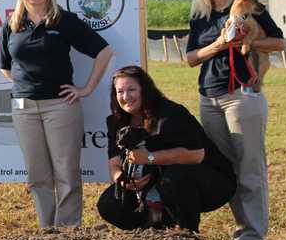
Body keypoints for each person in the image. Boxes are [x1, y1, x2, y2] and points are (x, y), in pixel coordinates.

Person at [0, 0, 114, 228]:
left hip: (60, 106)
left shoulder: (64, 21)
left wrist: (86, 89)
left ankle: (67, 231)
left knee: (66, 173)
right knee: (37, 175)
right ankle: (47, 231)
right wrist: (27, 84)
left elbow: (104, 52)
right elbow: (4, 66)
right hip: (23, 107)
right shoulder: (12, 24)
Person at [185, 0, 284, 240]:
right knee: (227, 169)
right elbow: (190, 57)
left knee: (250, 167)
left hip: (243, 94)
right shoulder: (200, 15)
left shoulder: (247, 6)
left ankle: (253, 238)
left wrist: (248, 41)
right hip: (210, 97)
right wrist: (218, 44)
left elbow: (279, 42)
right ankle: (242, 232)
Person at [97, 66, 236, 231]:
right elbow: (114, 162)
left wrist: (149, 157)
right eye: (120, 91)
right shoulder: (116, 121)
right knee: (109, 203)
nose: (126, 96)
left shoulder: (170, 114)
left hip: (208, 179)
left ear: (145, 90)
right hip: (154, 182)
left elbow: (197, 155)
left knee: (173, 179)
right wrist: (122, 179)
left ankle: (188, 234)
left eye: (131, 89)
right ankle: (150, 233)